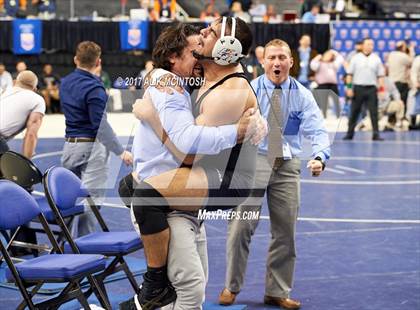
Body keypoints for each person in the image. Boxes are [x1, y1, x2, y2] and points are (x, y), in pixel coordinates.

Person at [119, 18, 265, 309]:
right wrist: (155, 77)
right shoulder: (202, 75)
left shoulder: (228, 90)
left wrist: (152, 118)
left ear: (227, 48)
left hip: (226, 179)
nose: (202, 34)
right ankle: (158, 288)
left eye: (209, 33)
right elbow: (160, 71)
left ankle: (154, 284)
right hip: (205, 170)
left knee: (146, 196)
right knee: (132, 187)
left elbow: (188, 154)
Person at [219, 39, 330, 310]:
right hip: (252, 162)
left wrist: (319, 156)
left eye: (282, 57)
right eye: (272, 58)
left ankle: (277, 291)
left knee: (285, 232)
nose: (277, 63)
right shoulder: (249, 91)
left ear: (292, 61)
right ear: (263, 61)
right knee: (240, 226)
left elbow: (317, 128)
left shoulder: (303, 94)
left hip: (287, 167)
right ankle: (231, 286)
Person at [60, 41, 133, 238]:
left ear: (76, 59)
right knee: (91, 200)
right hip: (91, 148)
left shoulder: (65, 83)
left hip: (70, 146)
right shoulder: (95, 87)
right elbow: (100, 126)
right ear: (98, 61)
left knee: (66, 198)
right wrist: (120, 151)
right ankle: (85, 247)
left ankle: (62, 242)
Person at [343, 37, 385, 141]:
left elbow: (380, 76)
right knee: (354, 112)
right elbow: (349, 74)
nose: (370, 46)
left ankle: (376, 134)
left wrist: (382, 90)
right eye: (368, 44)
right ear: (363, 46)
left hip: (371, 88)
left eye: (371, 44)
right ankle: (350, 133)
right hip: (358, 88)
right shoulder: (356, 58)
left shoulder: (376, 59)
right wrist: (349, 88)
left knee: (374, 112)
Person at [0, 70, 45, 157]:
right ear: (35, 89)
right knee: (9, 168)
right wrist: (27, 160)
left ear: (14, 82)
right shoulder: (37, 99)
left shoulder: (4, 92)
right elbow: (31, 134)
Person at [310, 49, 344, 118]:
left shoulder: (334, 64)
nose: (329, 56)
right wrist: (318, 57)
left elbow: (341, 60)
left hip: (333, 84)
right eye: (327, 55)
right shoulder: (319, 64)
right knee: (323, 101)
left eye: (330, 55)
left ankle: (338, 115)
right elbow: (312, 65)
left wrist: (334, 52)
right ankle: (324, 115)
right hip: (322, 84)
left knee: (336, 100)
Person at [387, 41, 414, 116]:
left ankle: (392, 120)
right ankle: (401, 119)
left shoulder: (391, 55)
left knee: (393, 102)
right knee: (402, 102)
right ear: (403, 47)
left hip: (391, 82)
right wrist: (411, 51)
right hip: (401, 82)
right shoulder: (403, 56)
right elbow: (412, 62)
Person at [409, 55, 420, 130]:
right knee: (415, 106)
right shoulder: (418, 59)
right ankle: (413, 124)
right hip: (418, 86)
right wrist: (415, 82)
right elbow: (413, 72)